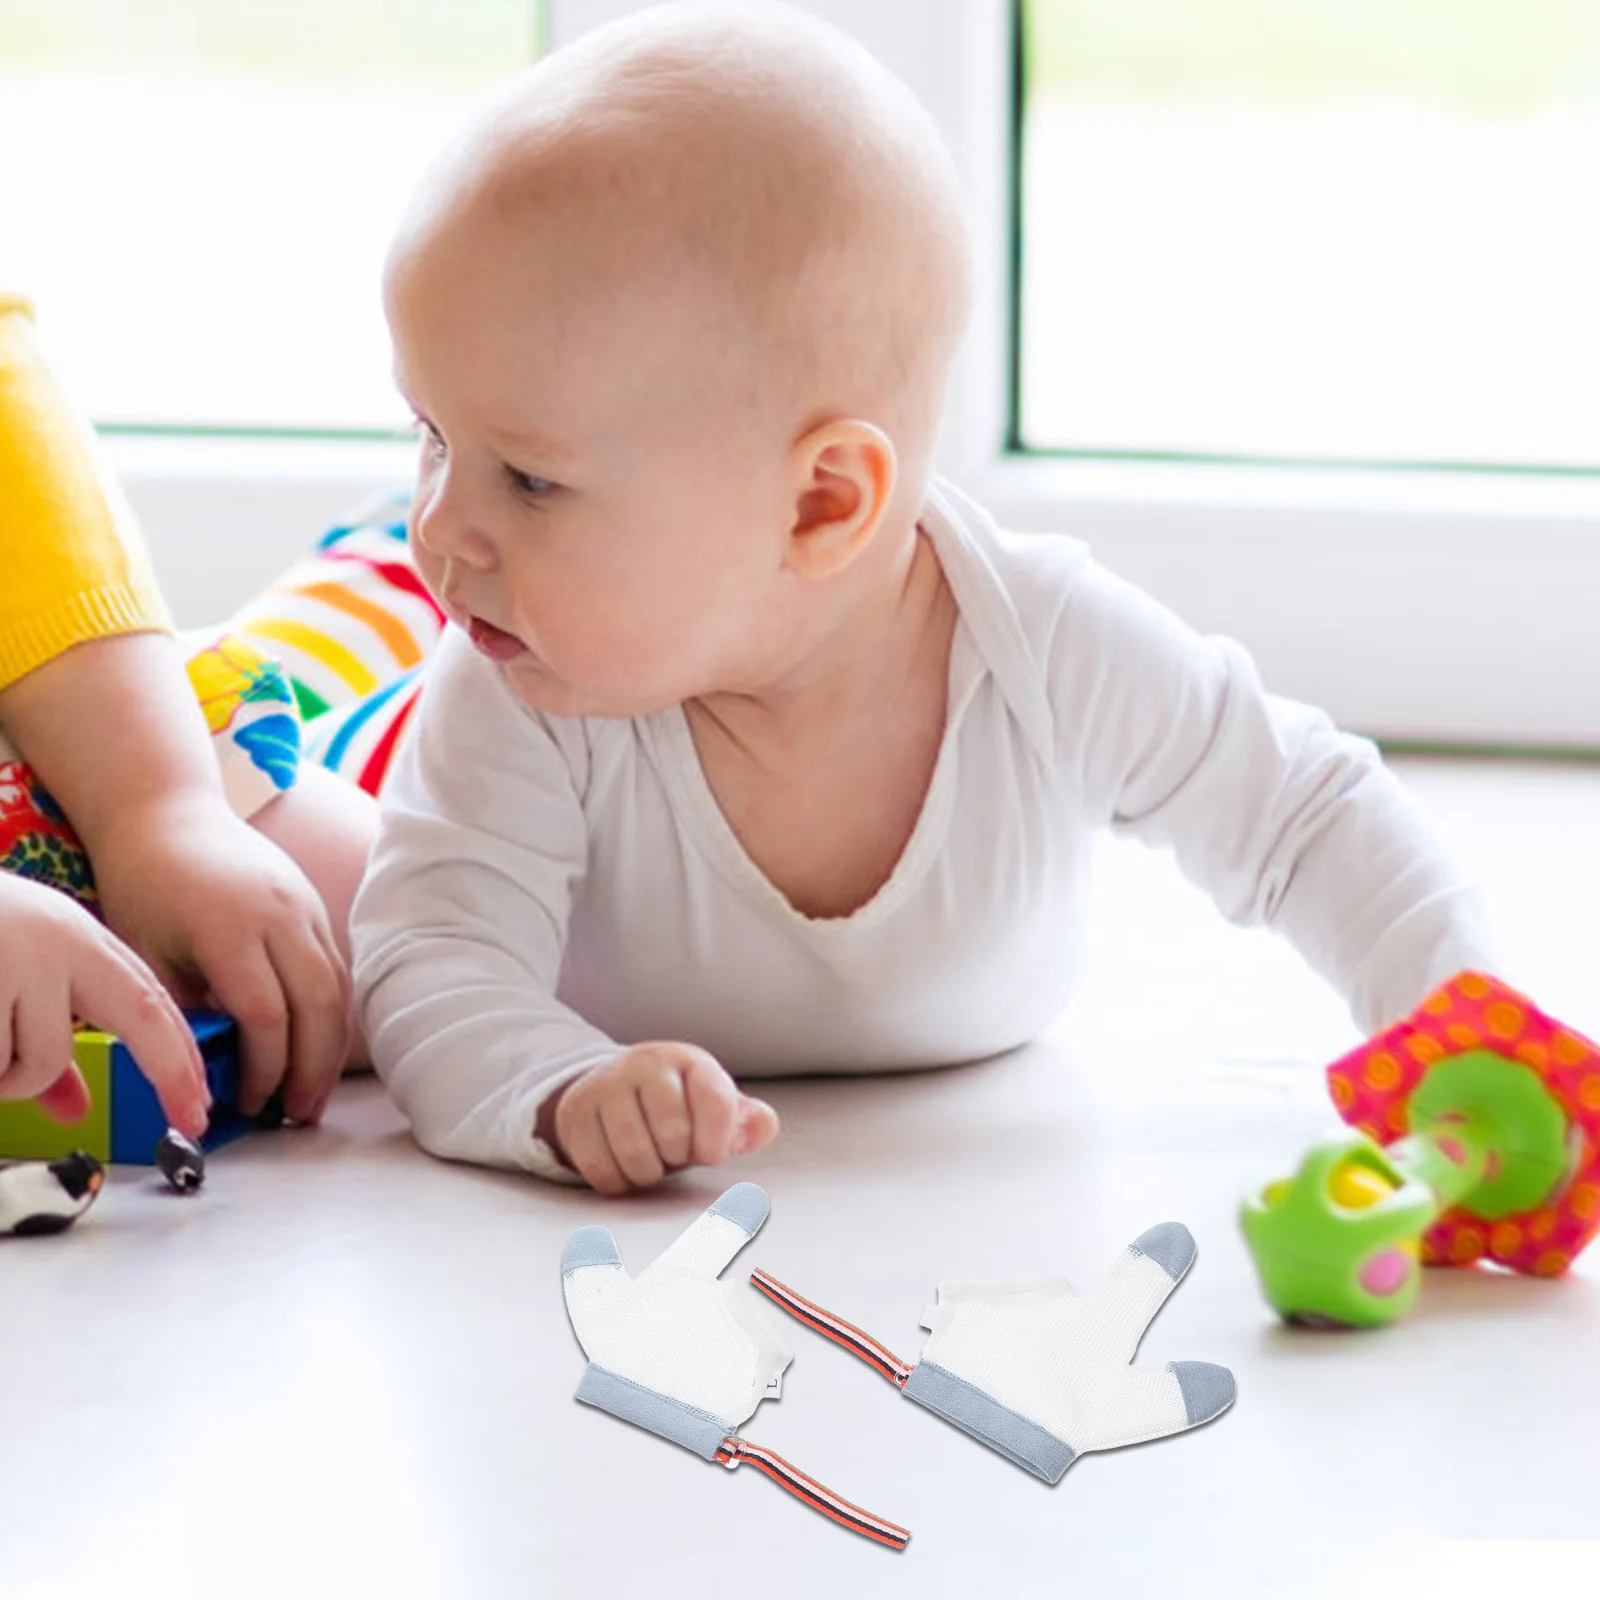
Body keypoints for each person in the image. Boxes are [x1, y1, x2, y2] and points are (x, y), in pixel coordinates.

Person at [351, 3, 1501, 1196]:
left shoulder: (1039, 646)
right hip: (383, 762)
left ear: (820, 506)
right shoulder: (519, 675)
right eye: (429, 435)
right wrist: (557, 1085)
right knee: (318, 861)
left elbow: (1305, 813)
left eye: (530, 479)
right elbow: (429, 958)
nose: (439, 524)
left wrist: (1459, 1024)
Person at [0, 293, 377, 1131]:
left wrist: (158, 815)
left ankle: (390, 570)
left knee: (371, 921)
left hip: (77, 736)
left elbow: (27, 501)